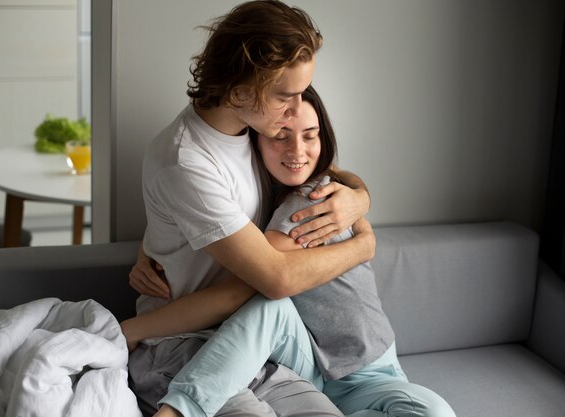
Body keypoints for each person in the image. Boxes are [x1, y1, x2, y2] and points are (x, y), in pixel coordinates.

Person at [125, 86, 456, 417]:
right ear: (257, 140)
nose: (297, 150)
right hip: (309, 364)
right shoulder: (279, 204)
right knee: (273, 304)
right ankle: (180, 408)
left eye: (310, 136)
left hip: (370, 375)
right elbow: (231, 270)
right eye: (281, 136)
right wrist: (363, 244)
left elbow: (335, 172)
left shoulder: (321, 194)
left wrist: (361, 198)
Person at [125, 1, 373, 416]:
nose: (296, 108)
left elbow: (326, 169)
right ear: (240, 90)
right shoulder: (186, 161)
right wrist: (364, 246)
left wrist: (360, 197)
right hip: (179, 346)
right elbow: (275, 279)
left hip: (252, 341)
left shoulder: (255, 132)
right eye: (285, 96)